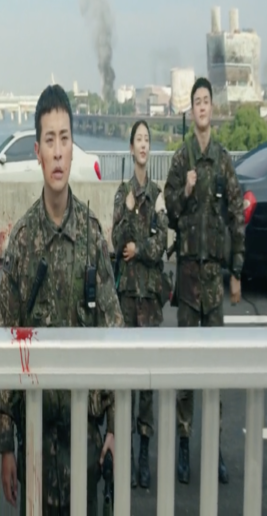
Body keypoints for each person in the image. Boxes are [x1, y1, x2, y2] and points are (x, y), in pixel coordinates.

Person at [0, 84, 123, 515]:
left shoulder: (90, 235)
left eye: (64, 139)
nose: (57, 151)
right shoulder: (23, 241)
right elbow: (5, 344)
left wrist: (113, 426)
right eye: (49, 140)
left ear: (73, 149)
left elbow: (113, 332)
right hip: (35, 440)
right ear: (37, 151)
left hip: (85, 442)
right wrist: (6, 445)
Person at [164, 77, 245, 486]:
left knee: (214, 368)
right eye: (195, 100)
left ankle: (213, 447)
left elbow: (237, 214)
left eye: (205, 100)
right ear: (191, 109)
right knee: (185, 368)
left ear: (212, 108)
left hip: (213, 281)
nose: (200, 106)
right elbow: (169, 210)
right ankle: (183, 443)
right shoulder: (182, 159)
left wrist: (237, 272)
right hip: (188, 279)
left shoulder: (224, 159)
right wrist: (186, 189)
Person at [112, 120, 168, 490]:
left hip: (151, 301)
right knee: (126, 378)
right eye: (139, 139)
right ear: (131, 148)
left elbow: (161, 243)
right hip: (127, 301)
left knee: (147, 380)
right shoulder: (123, 193)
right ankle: (126, 452)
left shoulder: (158, 195)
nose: (144, 145)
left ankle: (144, 454)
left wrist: (140, 249)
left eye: (148, 139)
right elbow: (115, 240)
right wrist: (130, 211)